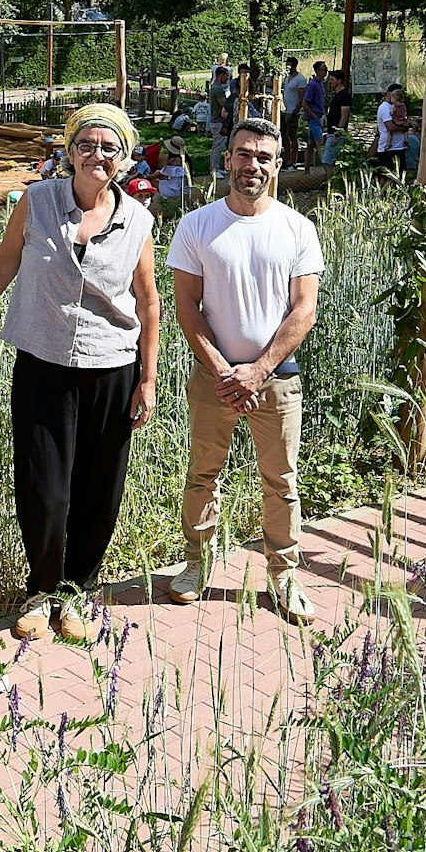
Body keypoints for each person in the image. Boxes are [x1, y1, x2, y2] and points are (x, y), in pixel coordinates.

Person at [0, 104, 161, 641]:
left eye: (109, 147)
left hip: (112, 367)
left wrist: (148, 378)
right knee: (44, 484)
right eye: (86, 143)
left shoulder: (138, 220)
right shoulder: (37, 202)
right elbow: (4, 262)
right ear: (69, 149)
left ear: (124, 156)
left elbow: (148, 302)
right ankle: (41, 590)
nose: (97, 155)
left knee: (98, 486)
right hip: (43, 363)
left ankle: (76, 593)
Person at [164, 117, 323, 625]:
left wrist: (257, 371)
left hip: (276, 380)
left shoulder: (298, 229)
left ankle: (284, 573)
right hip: (213, 379)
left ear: (277, 166)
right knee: (203, 473)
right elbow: (187, 306)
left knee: (281, 481)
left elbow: (303, 310)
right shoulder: (197, 225)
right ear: (227, 158)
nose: (251, 165)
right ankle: (195, 563)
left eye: (263, 157)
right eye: (243, 154)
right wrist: (221, 369)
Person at [375, 83, 412, 173]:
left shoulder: (401, 106)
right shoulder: (385, 107)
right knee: (387, 175)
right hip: (388, 149)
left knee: (399, 174)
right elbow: (390, 127)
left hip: (399, 147)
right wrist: (405, 127)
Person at [321, 69, 353, 168]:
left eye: (332, 80)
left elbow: (344, 117)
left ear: (339, 81)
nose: (330, 82)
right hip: (330, 131)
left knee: (328, 162)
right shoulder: (336, 95)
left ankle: (332, 182)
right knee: (328, 162)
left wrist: (337, 135)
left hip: (336, 134)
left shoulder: (344, 96)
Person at [279, 57, 307, 168]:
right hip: (285, 110)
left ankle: (293, 160)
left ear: (295, 65)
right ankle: (286, 157)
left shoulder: (300, 79)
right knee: (284, 135)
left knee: (293, 135)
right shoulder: (287, 78)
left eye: (289, 65)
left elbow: (301, 97)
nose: (288, 67)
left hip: (293, 111)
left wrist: (296, 111)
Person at [205, 65, 232, 176]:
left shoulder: (214, 87)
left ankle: (216, 167)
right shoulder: (218, 89)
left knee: (219, 146)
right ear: (221, 75)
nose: (227, 79)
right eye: (226, 76)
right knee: (217, 147)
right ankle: (214, 169)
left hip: (216, 121)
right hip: (217, 121)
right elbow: (224, 104)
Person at [303, 61, 328, 165]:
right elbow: (305, 103)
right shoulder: (312, 85)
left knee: (311, 144)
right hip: (315, 118)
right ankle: (325, 166)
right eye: (324, 69)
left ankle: (307, 169)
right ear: (318, 71)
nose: (326, 71)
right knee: (320, 143)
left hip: (320, 116)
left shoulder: (321, 83)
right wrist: (314, 116)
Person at [157, 136, 189, 204]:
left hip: (175, 191)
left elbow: (159, 174)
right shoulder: (186, 160)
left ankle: (159, 197)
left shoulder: (173, 161)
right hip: (185, 189)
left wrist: (147, 177)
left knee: (155, 180)